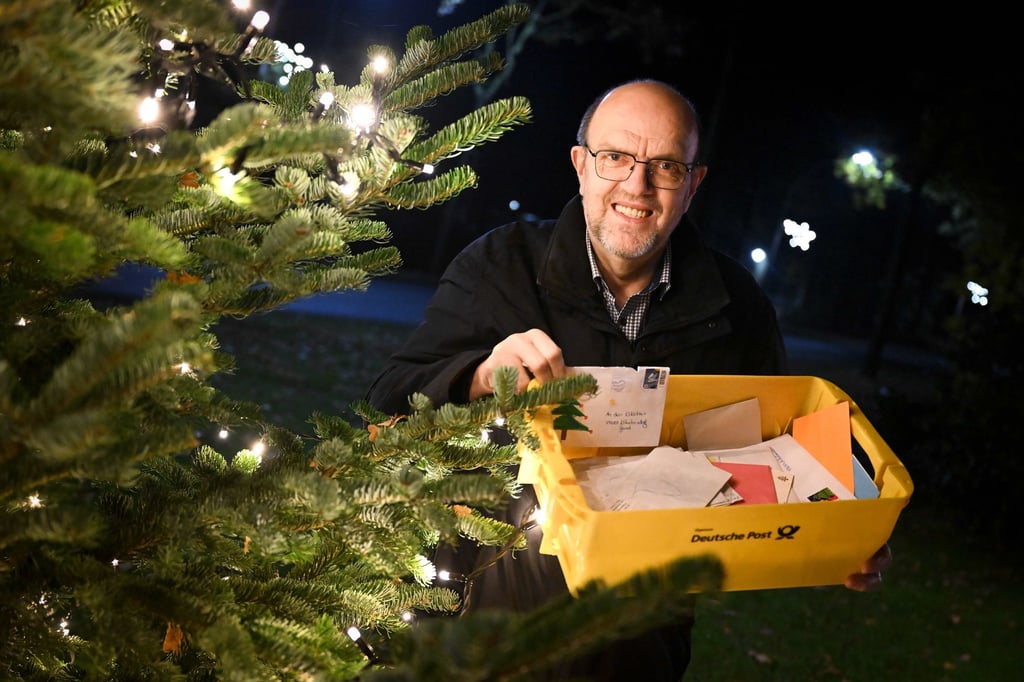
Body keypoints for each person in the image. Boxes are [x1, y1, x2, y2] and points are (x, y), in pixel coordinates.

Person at [367, 78, 891, 680]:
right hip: (482, 627)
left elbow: (781, 458)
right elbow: (390, 398)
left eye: (665, 166)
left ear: (693, 184)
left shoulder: (737, 308)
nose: (636, 186)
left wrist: (841, 534)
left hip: (638, 646)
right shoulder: (500, 265)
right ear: (581, 166)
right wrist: (482, 374)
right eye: (615, 157)